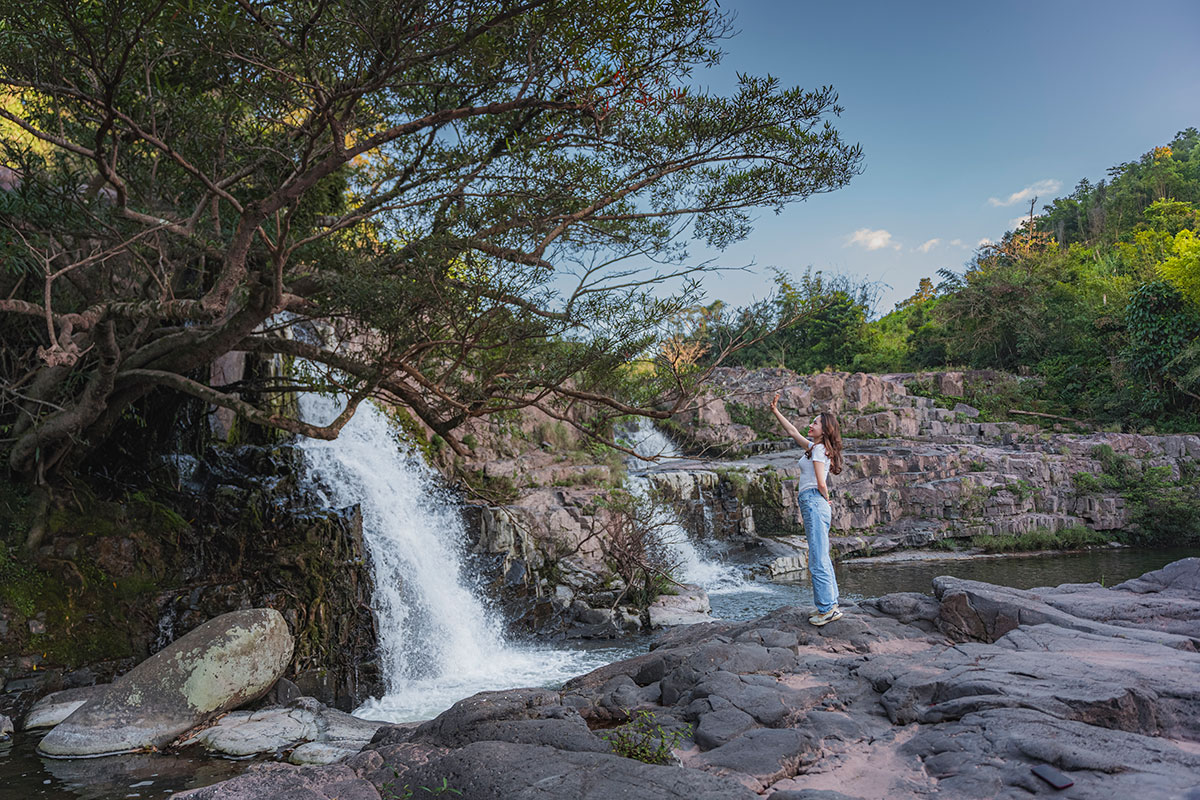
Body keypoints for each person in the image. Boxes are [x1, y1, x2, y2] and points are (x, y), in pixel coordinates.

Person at [770, 392, 844, 625]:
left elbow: (822, 482)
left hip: (814, 501)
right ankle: (830, 604)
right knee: (821, 555)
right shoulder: (815, 448)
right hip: (814, 502)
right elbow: (792, 432)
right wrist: (775, 411)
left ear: (826, 429)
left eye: (815, 423)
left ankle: (827, 610)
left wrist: (826, 497)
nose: (810, 425)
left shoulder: (820, 450)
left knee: (817, 558)